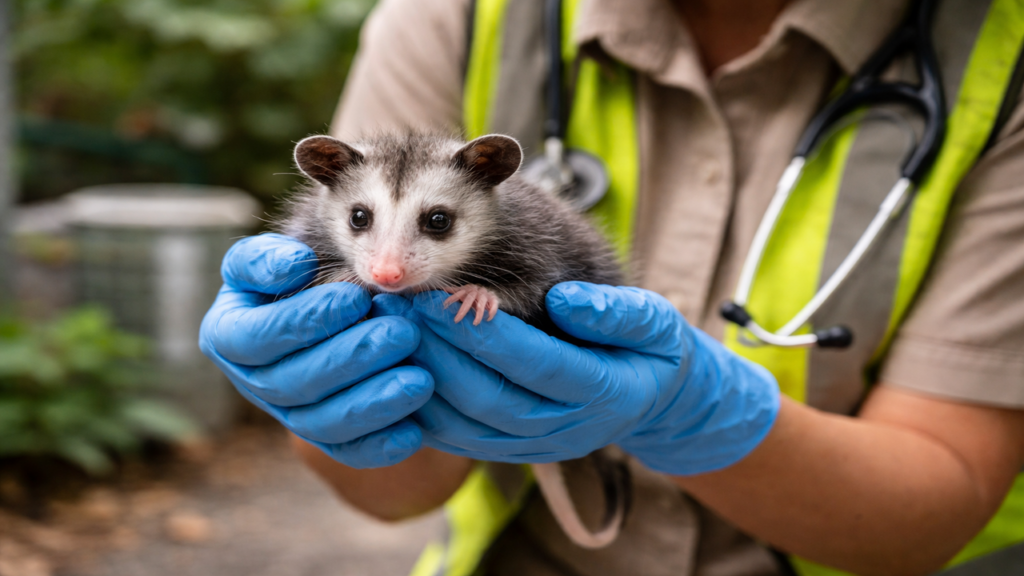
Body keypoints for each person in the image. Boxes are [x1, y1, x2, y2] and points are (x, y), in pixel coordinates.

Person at [199, 0, 1024, 574]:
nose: (384, 265)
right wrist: (322, 394)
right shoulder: (458, 15)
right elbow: (392, 493)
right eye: (360, 233)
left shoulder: (1001, 59)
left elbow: (934, 509)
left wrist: (695, 411)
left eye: (440, 227)